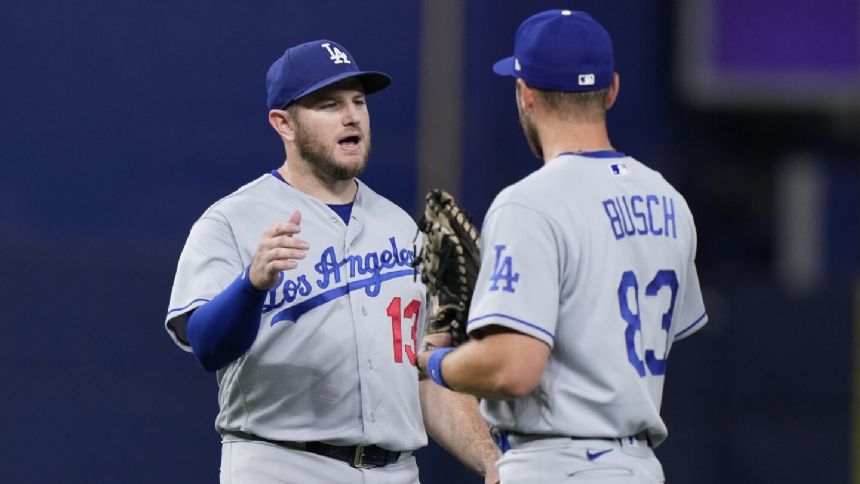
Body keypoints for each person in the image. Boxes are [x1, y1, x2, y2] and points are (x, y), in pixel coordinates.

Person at [164, 39, 500, 484]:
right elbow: (206, 347)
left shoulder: (399, 226)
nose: (352, 115)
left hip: (395, 471)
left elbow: (423, 375)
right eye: (329, 105)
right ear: (283, 123)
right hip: (281, 465)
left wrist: (491, 459)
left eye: (358, 101)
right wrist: (251, 286)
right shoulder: (231, 221)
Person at [417, 10, 708, 484]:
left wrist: (435, 361)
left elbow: (513, 369)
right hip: (639, 466)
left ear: (525, 94)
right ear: (611, 89)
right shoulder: (669, 201)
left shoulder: (529, 205)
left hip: (557, 464)